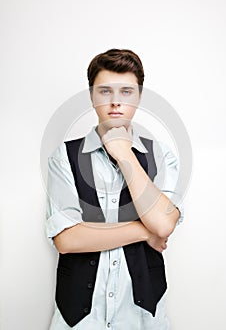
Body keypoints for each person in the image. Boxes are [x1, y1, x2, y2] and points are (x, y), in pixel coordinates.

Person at [46, 48, 184, 330]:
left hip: (143, 316)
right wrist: (146, 231)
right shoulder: (65, 155)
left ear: (140, 97)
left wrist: (125, 154)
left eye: (127, 92)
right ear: (91, 96)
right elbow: (67, 239)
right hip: (79, 319)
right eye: (105, 91)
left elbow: (163, 224)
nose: (115, 103)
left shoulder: (162, 156)